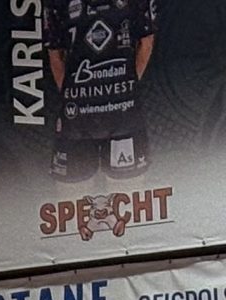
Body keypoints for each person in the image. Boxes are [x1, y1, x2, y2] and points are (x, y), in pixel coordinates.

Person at [46, 0, 153, 184]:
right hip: (76, 122)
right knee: (72, 204)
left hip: (124, 118)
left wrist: (125, 87)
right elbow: (55, 55)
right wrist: (74, 93)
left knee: (127, 203)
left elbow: (146, 42)